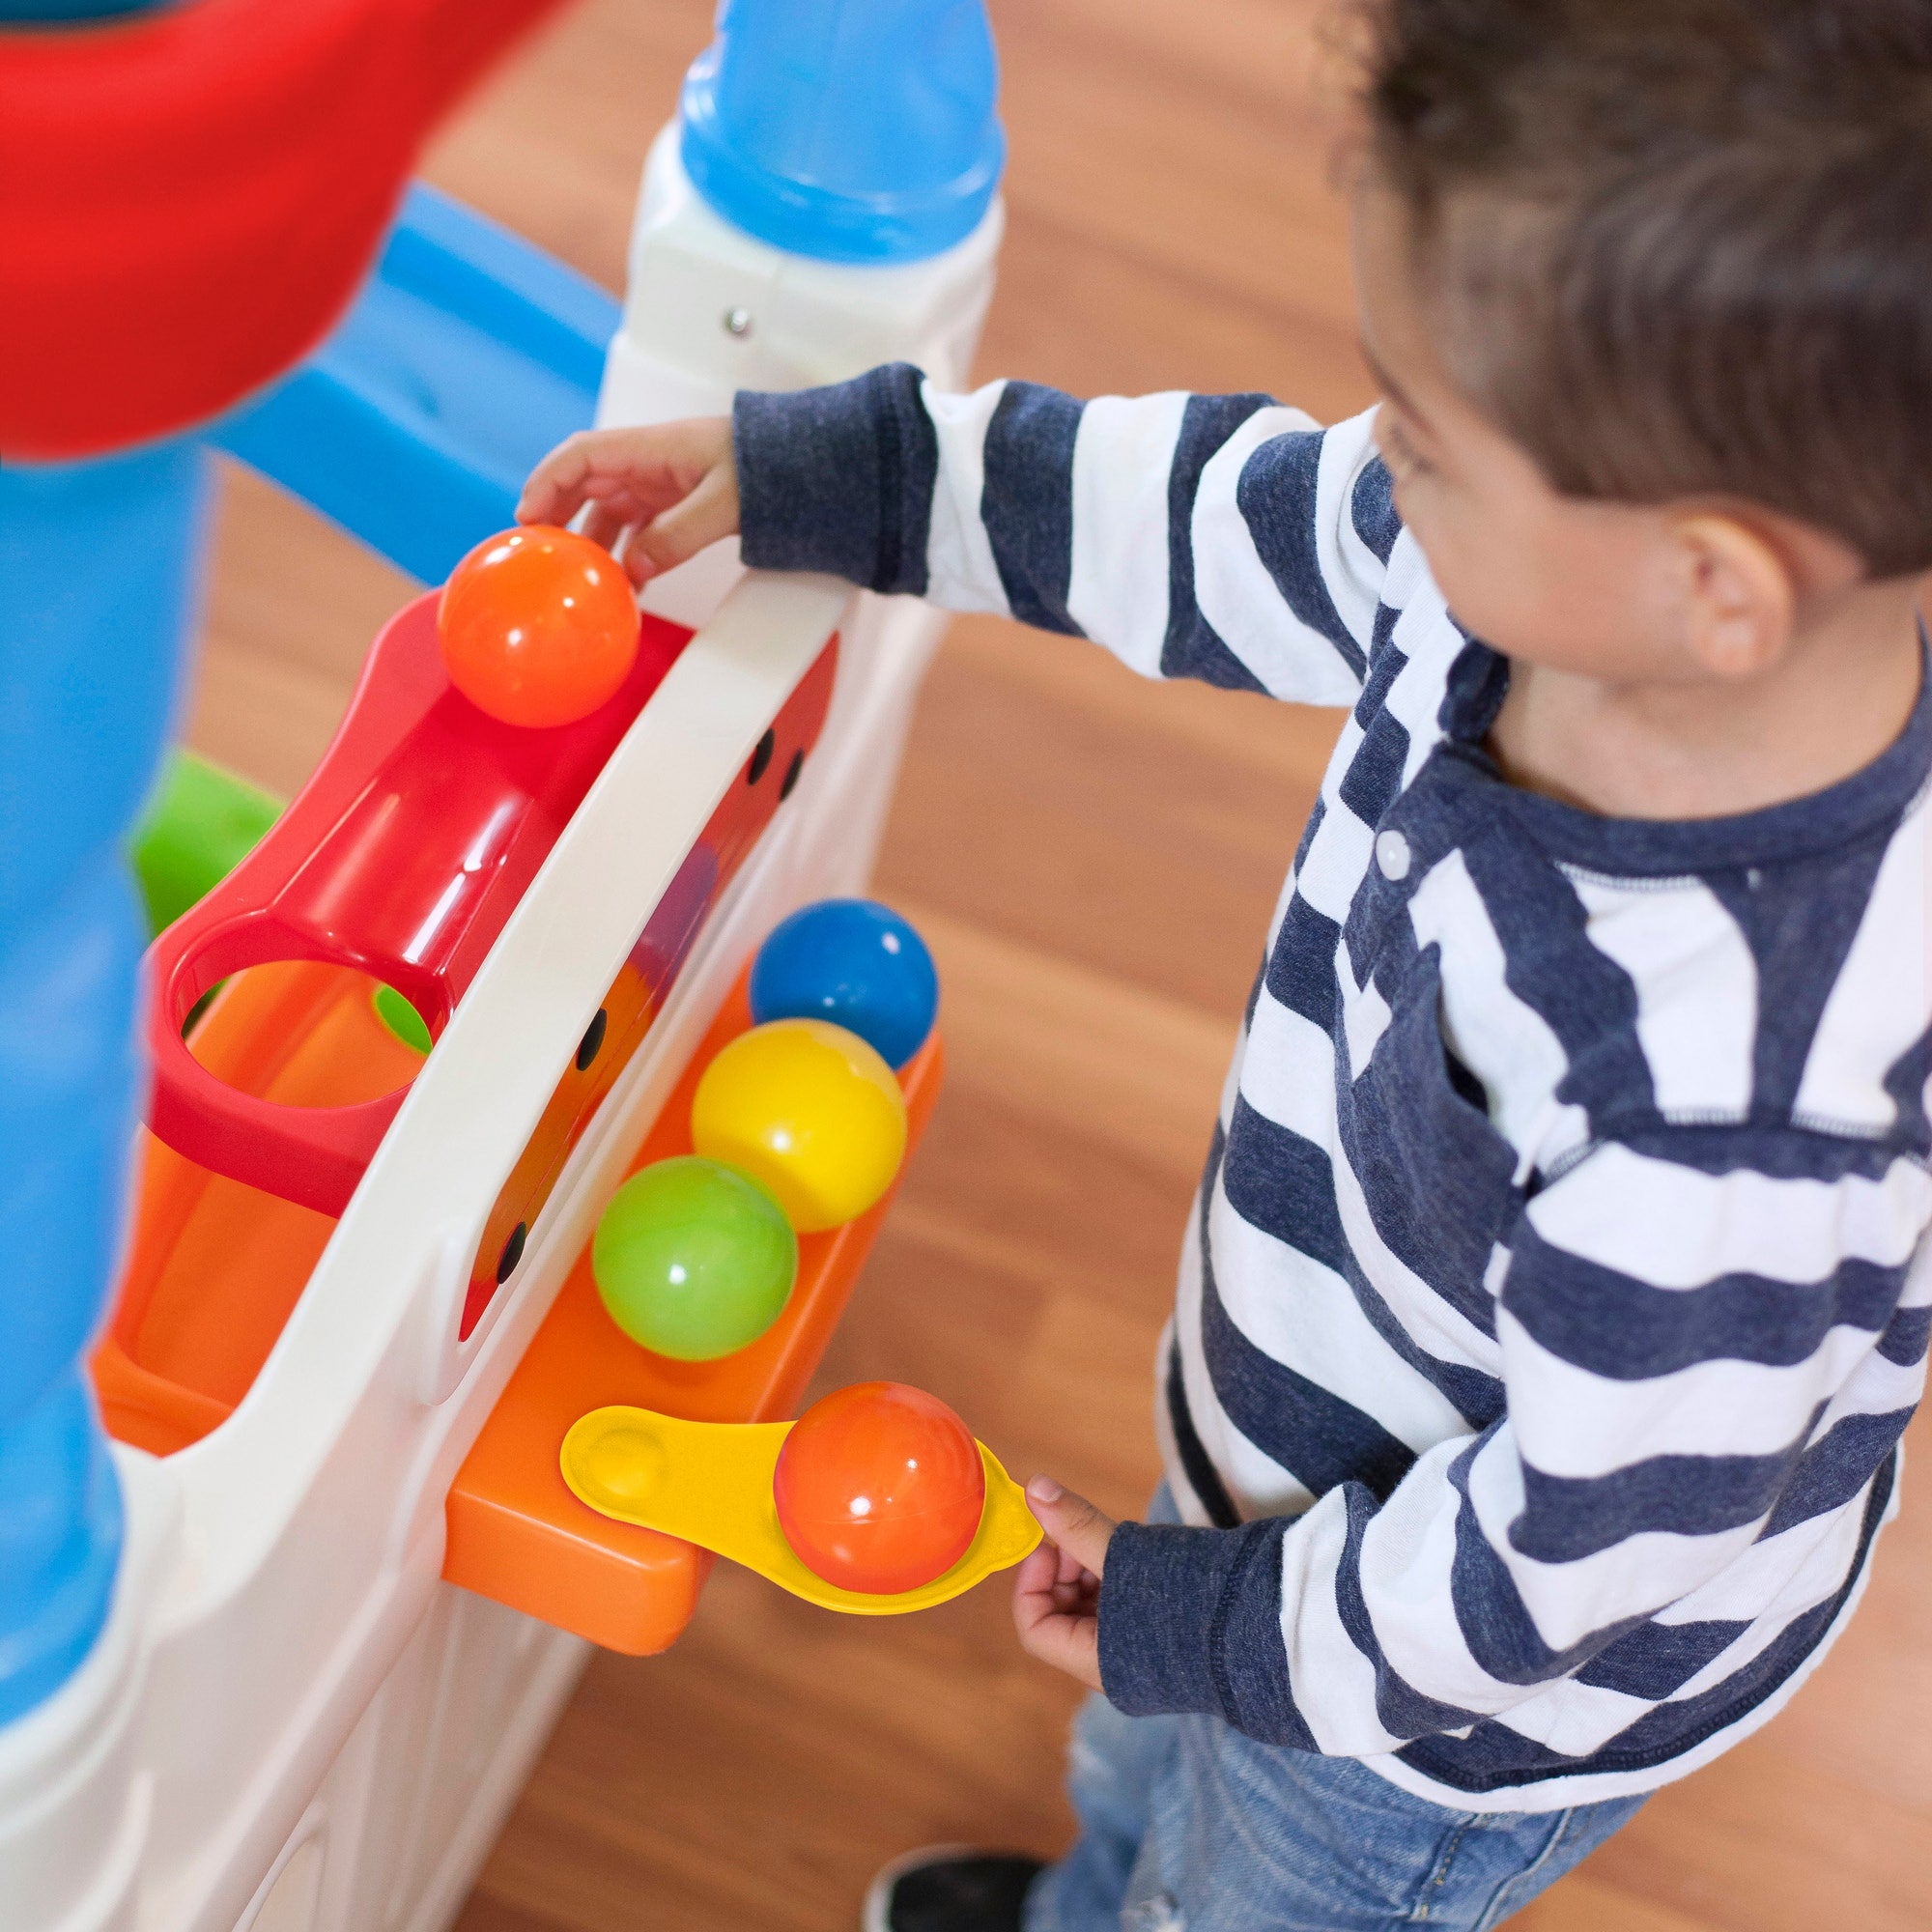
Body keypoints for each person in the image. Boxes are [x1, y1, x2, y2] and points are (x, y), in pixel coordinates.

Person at [518, 1, 1932, 1923]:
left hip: (1444, 1709)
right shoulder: (1519, 589)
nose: (1382, 473)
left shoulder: (1735, 1136)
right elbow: (1225, 513)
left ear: (1713, 583)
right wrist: (848, 481)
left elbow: (1547, 1581)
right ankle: (1108, 1878)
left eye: (1425, 445)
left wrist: (1213, 1621)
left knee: (1239, 1870)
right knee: (1148, 1749)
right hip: (1297, 1441)